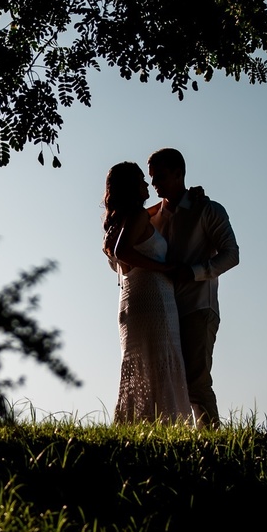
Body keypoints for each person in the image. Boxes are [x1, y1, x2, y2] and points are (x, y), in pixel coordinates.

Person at [146, 148, 239, 429]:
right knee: (166, 381)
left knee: (196, 382)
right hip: (163, 312)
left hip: (198, 306)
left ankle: (212, 442)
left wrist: (194, 272)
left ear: (179, 174)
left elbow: (231, 255)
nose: (154, 184)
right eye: (151, 177)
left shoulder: (207, 210)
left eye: (160, 176)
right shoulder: (152, 218)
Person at [102, 161, 192, 424]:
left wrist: (188, 197)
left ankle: (137, 423)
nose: (147, 184)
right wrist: (164, 267)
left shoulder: (121, 221)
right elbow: (122, 251)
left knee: (142, 362)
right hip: (154, 297)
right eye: (142, 180)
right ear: (132, 186)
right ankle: (168, 424)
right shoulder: (138, 217)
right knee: (161, 358)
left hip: (130, 300)